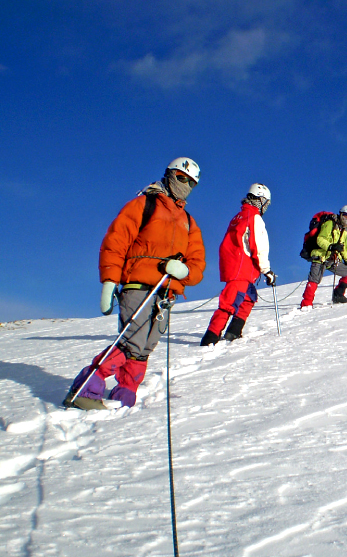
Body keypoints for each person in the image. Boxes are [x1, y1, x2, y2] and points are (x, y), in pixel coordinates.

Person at [63, 158, 206, 410]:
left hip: (166, 292)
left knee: (145, 346)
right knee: (132, 339)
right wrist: (109, 280)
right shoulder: (144, 204)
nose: (186, 185)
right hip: (138, 284)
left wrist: (184, 271)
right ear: (170, 175)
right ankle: (86, 388)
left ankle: (125, 394)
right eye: (182, 178)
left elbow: (198, 263)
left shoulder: (189, 222)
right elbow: (116, 241)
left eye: (191, 183)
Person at [200, 184, 275, 346]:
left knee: (249, 297)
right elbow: (258, 245)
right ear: (260, 201)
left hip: (235, 266)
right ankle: (210, 339)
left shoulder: (239, 216)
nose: (266, 207)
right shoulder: (254, 218)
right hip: (242, 268)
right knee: (230, 302)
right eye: (266, 203)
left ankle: (234, 331)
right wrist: (266, 270)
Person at [300, 205, 347, 307]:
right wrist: (331, 246)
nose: (346, 219)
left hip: (332, 259)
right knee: (314, 280)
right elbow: (320, 239)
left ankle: (338, 295)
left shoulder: (344, 231)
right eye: (345, 215)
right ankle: (306, 304)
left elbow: (345, 248)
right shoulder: (330, 223)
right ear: (340, 214)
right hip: (320, 257)